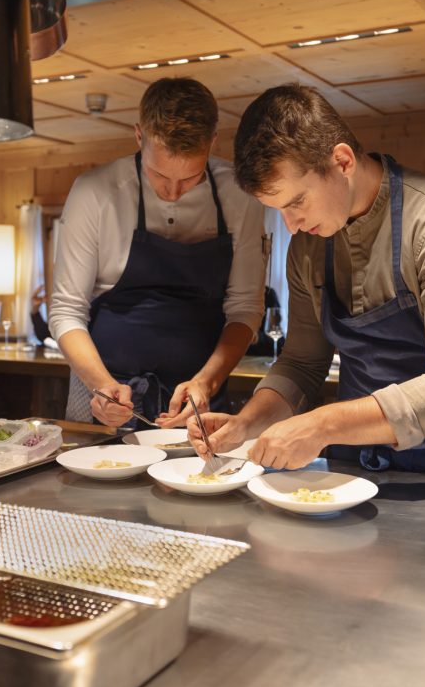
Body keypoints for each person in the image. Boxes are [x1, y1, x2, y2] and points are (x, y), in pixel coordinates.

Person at [189, 84, 425, 480]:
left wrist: (322, 424)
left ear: (343, 161)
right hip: (358, 470)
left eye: (296, 202)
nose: (292, 225)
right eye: (278, 211)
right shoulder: (307, 247)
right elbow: (301, 362)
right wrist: (247, 423)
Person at [49, 77, 266, 428]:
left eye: (190, 177)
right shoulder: (95, 192)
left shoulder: (241, 196)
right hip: (107, 394)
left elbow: (245, 307)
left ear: (212, 142)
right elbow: (66, 310)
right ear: (139, 136)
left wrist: (206, 382)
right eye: (159, 175)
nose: (173, 191)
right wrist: (101, 385)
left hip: (197, 401)